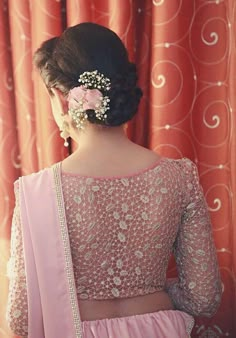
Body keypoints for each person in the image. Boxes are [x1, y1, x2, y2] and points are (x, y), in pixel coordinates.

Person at [6, 22, 222, 338]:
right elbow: (204, 298)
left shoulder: (35, 192)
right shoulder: (180, 176)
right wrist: (151, 296)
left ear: (60, 97)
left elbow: (22, 318)